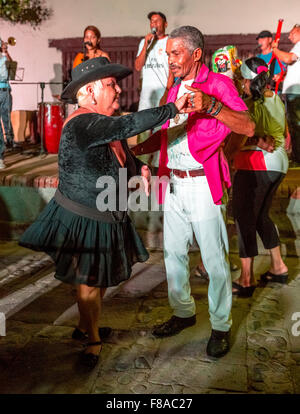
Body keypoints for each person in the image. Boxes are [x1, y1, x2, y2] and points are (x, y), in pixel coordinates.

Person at [19, 57, 195, 368]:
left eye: (116, 83)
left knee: (95, 279)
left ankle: (86, 326)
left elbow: (122, 153)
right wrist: (172, 109)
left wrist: (140, 166)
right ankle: (93, 341)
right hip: (83, 217)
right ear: (88, 92)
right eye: (111, 84)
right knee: (88, 279)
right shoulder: (83, 123)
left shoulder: (102, 126)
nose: (118, 89)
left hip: (105, 215)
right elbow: (127, 126)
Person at [132, 26, 255, 358]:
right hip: (173, 182)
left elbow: (247, 125)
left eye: (175, 53)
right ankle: (183, 312)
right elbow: (165, 134)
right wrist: (136, 154)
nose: (169, 60)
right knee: (172, 254)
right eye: (167, 54)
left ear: (196, 53)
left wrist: (212, 106)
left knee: (214, 259)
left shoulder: (218, 84)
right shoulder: (173, 89)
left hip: (202, 183)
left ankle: (220, 326)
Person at [232, 57, 289, 298]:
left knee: (244, 218)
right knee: (261, 217)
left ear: (247, 80)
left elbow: (243, 136)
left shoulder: (250, 104)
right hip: (278, 164)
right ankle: (278, 267)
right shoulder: (274, 97)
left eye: (241, 80)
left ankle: (246, 278)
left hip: (256, 165)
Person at [271, 24, 300, 164]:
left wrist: (275, 49)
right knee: (294, 125)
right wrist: (282, 77)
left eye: (292, 33)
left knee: (296, 125)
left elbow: (289, 59)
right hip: (294, 92)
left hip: (296, 93)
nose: (289, 36)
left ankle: (298, 158)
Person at [0, 39, 15, 169]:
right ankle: (1, 155)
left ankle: (10, 141)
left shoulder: (4, 57)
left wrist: (5, 52)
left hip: (5, 91)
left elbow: (12, 68)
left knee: (6, 118)